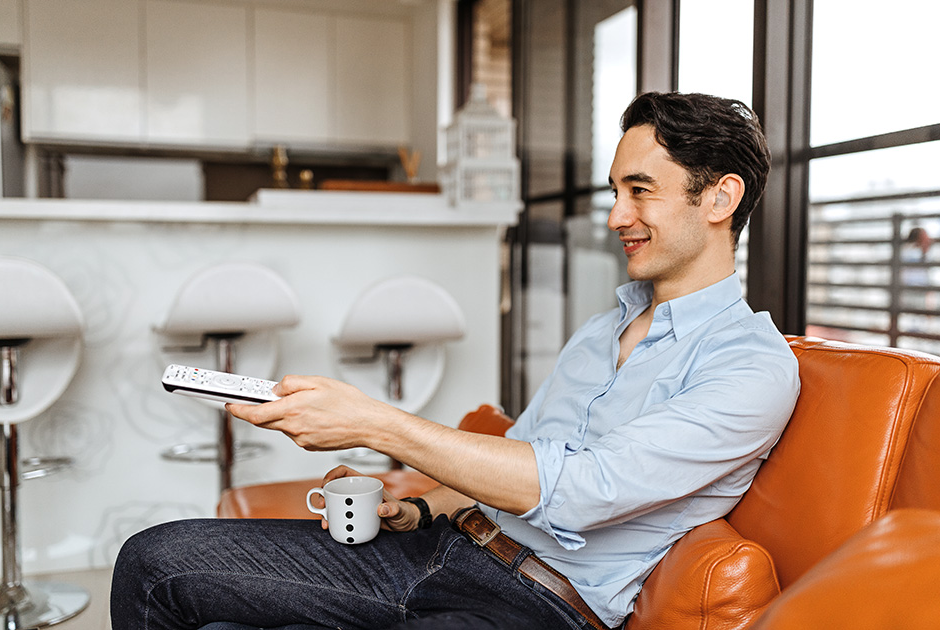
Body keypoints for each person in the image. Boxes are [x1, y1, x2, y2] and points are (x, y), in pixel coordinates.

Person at [111, 92, 800, 630]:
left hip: (533, 606)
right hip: (439, 547)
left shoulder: (751, 367)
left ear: (719, 197)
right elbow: (519, 455)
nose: (616, 216)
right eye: (615, 191)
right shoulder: (600, 331)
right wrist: (414, 508)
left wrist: (376, 425)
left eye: (639, 191)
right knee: (153, 560)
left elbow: (586, 489)